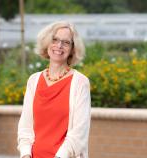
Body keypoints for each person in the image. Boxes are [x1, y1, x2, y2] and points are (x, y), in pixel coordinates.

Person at [17, 21, 91, 158]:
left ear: (73, 49)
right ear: (47, 43)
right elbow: (25, 126)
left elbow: (79, 133)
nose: (59, 46)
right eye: (55, 39)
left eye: (66, 42)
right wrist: (25, 154)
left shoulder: (80, 83)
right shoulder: (34, 81)